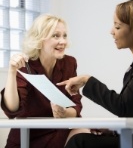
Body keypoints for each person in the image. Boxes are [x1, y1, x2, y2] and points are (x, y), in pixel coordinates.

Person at [58, 0, 133, 148]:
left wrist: (88, 80)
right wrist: (114, 130)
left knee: (79, 142)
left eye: (117, 26)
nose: (111, 31)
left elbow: (123, 106)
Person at [0, 14, 83, 148]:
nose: (63, 41)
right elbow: (12, 108)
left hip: (58, 135)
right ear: (39, 40)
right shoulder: (26, 65)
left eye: (65, 36)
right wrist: (12, 71)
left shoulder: (69, 63)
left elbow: (76, 104)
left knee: (85, 134)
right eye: (56, 36)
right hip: (28, 137)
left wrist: (65, 113)